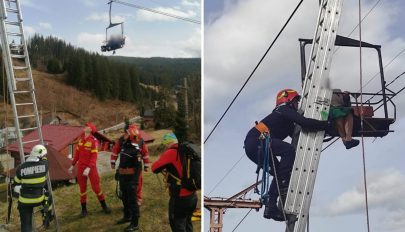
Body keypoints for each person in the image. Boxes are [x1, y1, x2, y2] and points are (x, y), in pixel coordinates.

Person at [244, 89, 329, 221]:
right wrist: (326, 124)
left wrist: (318, 134)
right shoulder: (283, 110)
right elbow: (305, 122)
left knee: (279, 173)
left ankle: (271, 208)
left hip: (254, 147)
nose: (297, 105)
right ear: (288, 100)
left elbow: (300, 132)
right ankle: (284, 182)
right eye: (296, 101)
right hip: (256, 142)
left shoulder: (285, 120)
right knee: (288, 150)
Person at [152, 133, 197, 232]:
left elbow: (154, 168)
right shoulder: (187, 151)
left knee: (177, 224)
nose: (165, 147)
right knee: (187, 222)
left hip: (180, 196)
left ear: (168, 143)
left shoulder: (171, 152)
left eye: (165, 145)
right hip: (192, 195)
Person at [69, 122, 111, 217]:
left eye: (87, 126)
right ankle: (84, 210)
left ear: (91, 129)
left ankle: (104, 206)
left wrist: (89, 167)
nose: (85, 127)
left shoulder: (94, 141)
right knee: (82, 188)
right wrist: (72, 164)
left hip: (91, 168)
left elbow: (94, 156)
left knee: (96, 188)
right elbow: (77, 154)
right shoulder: (80, 140)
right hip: (81, 167)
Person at [110, 124, 143, 231]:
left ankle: (135, 223)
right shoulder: (124, 146)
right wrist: (118, 172)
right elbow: (122, 162)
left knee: (133, 201)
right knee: (124, 198)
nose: (125, 135)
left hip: (131, 179)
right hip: (123, 177)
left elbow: (138, 167)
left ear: (131, 136)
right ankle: (127, 216)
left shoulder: (136, 150)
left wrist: (134, 182)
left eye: (127, 133)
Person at [13, 144, 51, 232]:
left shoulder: (21, 168)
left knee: (26, 224)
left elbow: (16, 182)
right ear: (41, 156)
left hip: (25, 201)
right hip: (39, 199)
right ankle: (47, 217)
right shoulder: (45, 165)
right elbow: (45, 159)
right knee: (49, 198)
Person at [111, 124, 150, 206]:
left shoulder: (140, 140)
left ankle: (138, 198)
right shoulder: (122, 140)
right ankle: (127, 200)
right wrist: (113, 162)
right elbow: (115, 151)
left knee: (138, 182)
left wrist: (146, 165)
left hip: (136, 166)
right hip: (124, 166)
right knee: (125, 185)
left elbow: (145, 153)